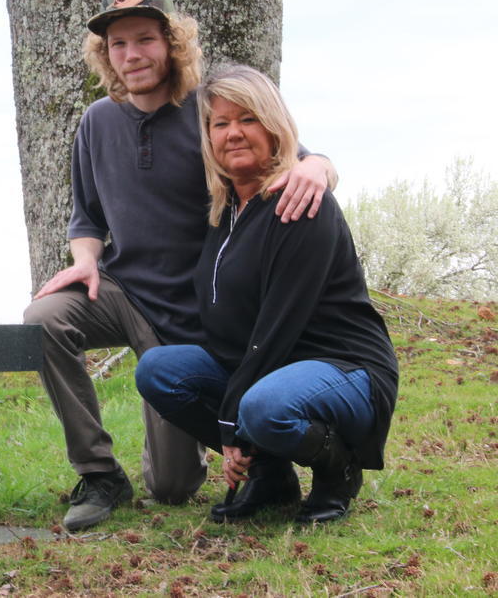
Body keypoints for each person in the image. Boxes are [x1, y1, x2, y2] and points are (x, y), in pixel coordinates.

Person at [23, 0, 338, 531]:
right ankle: (98, 473)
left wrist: (319, 167)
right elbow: (87, 216)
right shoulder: (96, 121)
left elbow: (296, 158)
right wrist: (85, 258)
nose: (132, 54)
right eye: (118, 45)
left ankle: (235, 458)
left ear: (173, 44)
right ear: (106, 54)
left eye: (145, 39)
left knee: (171, 490)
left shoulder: (208, 113)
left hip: (193, 313)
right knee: (42, 319)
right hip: (120, 290)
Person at [134, 65, 399, 523]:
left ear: (275, 129)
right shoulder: (225, 213)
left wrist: (230, 422)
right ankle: (270, 476)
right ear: (208, 137)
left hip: (344, 368)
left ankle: (338, 470)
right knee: (159, 370)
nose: (233, 133)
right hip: (267, 367)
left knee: (263, 407)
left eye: (248, 119)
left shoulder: (301, 203)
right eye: (220, 123)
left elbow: (278, 327)